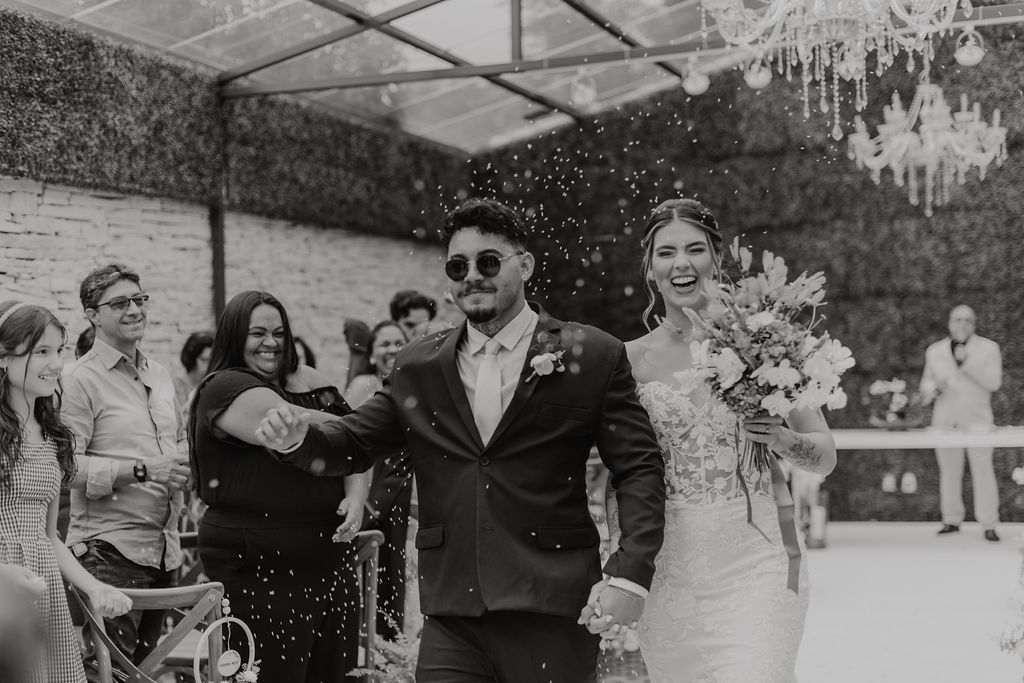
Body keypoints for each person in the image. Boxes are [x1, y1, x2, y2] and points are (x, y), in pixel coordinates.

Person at [255, 197, 666, 682]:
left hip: (553, 604)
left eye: (488, 261)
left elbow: (638, 467)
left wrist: (629, 574)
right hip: (452, 611)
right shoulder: (418, 365)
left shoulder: (591, 354)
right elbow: (355, 440)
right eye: (458, 266)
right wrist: (298, 438)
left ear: (525, 265)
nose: (472, 276)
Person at [619, 199, 836, 682]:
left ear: (717, 259)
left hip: (758, 563)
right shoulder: (626, 361)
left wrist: (782, 438)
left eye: (695, 249)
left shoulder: (766, 341)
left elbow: (824, 457)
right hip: (670, 572)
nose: (681, 263)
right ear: (650, 268)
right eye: (666, 252)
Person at [188, 290, 370, 683]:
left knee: (336, 673)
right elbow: (290, 422)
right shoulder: (224, 385)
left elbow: (357, 449)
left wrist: (356, 499)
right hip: (259, 562)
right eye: (257, 333)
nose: (271, 342)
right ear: (235, 336)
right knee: (271, 673)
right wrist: (363, 424)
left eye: (279, 332)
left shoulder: (312, 380)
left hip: (329, 555)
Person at [61, 264, 191, 678]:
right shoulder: (78, 379)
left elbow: (177, 442)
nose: (134, 310)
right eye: (119, 303)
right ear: (92, 315)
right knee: (110, 675)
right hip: (108, 552)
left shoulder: (161, 374)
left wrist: (184, 462)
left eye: (139, 299)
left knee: (143, 675)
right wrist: (146, 469)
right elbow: (67, 467)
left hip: (165, 550)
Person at [0, 301, 132, 683]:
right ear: (3, 358)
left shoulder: (52, 436)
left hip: (44, 590)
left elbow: (49, 537)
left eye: (59, 350)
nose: (57, 363)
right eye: (41, 351)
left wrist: (95, 587)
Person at [345, 321, 414, 638]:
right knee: (374, 575)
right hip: (375, 495)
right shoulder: (365, 385)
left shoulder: (412, 384)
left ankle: (391, 641)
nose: (392, 349)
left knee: (397, 574)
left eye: (399, 342)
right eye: (384, 344)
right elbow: (351, 445)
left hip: (401, 497)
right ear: (372, 354)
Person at [920, 305, 1002, 541]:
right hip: (945, 422)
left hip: (978, 421)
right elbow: (925, 386)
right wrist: (934, 388)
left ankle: (989, 523)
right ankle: (951, 519)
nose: (962, 324)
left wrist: (967, 364)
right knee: (948, 471)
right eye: (957, 319)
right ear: (949, 323)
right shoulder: (935, 351)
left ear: (974, 324)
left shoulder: (989, 348)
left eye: (967, 320)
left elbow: (994, 382)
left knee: (983, 471)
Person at [173, 331, 213, 411]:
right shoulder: (178, 385)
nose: (208, 365)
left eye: (211, 360)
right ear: (191, 359)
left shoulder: (210, 383)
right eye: (204, 360)